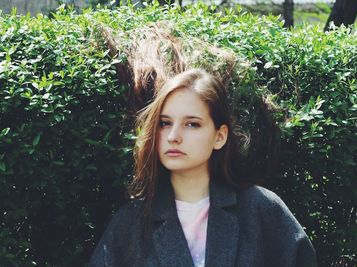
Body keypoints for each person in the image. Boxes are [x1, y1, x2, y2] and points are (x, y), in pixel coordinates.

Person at [89, 68, 317, 267]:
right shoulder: (131, 223)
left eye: (192, 124)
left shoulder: (261, 210)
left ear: (220, 136)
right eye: (165, 123)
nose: (173, 136)